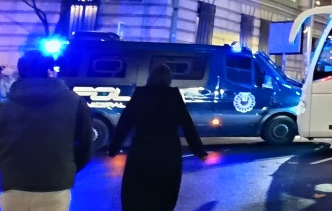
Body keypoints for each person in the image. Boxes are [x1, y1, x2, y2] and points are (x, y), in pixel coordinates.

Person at [0, 51, 92, 211]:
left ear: (19, 73)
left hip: (13, 185)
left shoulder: (4, 105)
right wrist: (66, 169)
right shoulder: (76, 103)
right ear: (50, 71)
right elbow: (85, 147)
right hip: (56, 186)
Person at [109, 64, 207, 211]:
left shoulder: (140, 94)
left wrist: (113, 148)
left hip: (141, 149)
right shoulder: (173, 95)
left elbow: (125, 122)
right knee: (164, 192)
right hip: (167, 152)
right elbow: (187, 125)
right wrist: (200, 151)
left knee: (137, 190)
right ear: (169, 79)